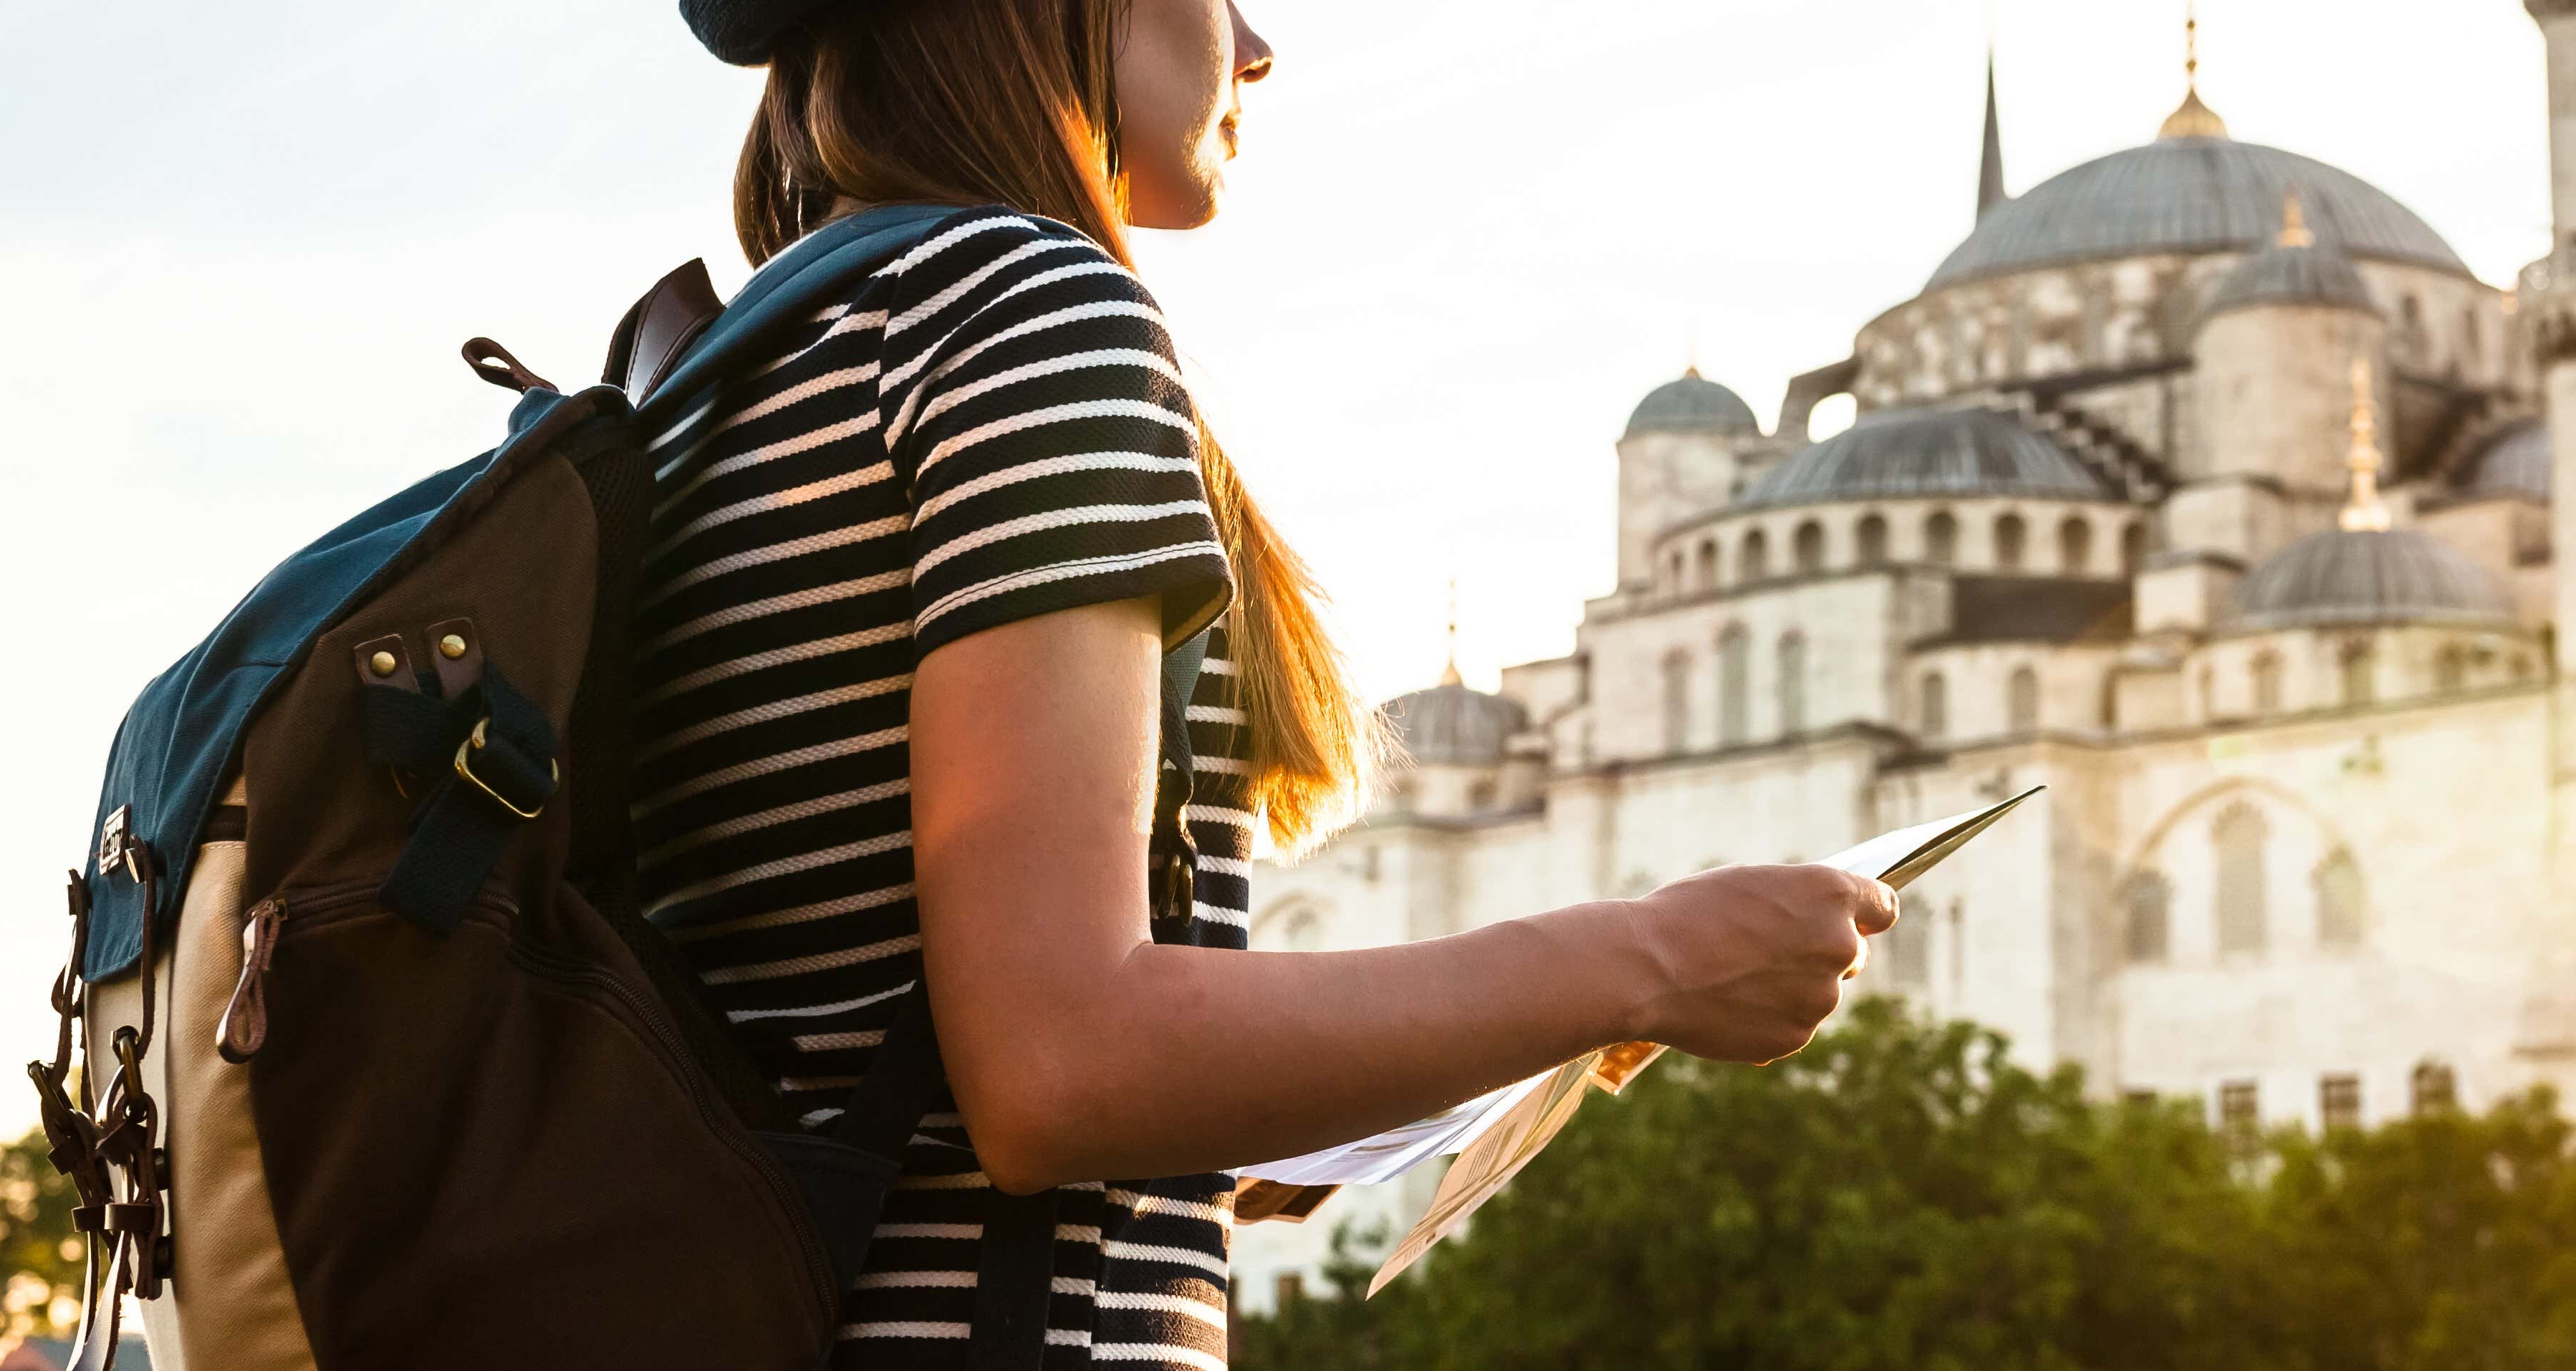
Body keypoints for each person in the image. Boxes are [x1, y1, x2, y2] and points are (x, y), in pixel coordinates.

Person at [653, 1, 1895, 1364]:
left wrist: (1265, 1117)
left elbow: (861, 1051)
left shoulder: (736, 370)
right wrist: (1644, 962)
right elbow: (1054, 1068)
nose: (1255, 45)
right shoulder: (1024, 314)